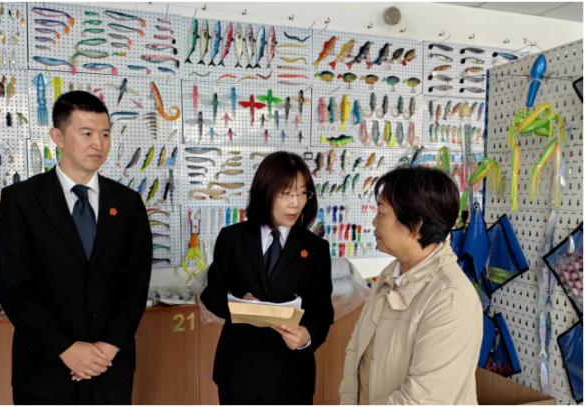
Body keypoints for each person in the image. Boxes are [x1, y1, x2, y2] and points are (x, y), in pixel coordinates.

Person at [0, 91, 152, 405]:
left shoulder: (128, 202)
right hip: (45, 369)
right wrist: (65, 349)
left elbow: (137, 282)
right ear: (58, 137)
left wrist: (109, 346)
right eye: (87, 133)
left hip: (110, 368)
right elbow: (13, 286)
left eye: (105, 134)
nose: (98, 144)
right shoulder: (21, 201)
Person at [339, 165, 483, 405]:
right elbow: (356, 351)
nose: (374, 222)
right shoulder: (389, 275)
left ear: (416, 225)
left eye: (381, 212)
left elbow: (423, 399)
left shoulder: (451, 297)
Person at [201, 151, 334, 405]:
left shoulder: (316, 248)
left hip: (291, 376)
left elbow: (322, 311)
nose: (295, 203)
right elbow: (212, 292)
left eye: (302, 193)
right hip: (239, 372)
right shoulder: (233, 238)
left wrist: (306, 336)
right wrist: (239, 301)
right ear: (265, 192)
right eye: (285, 193)